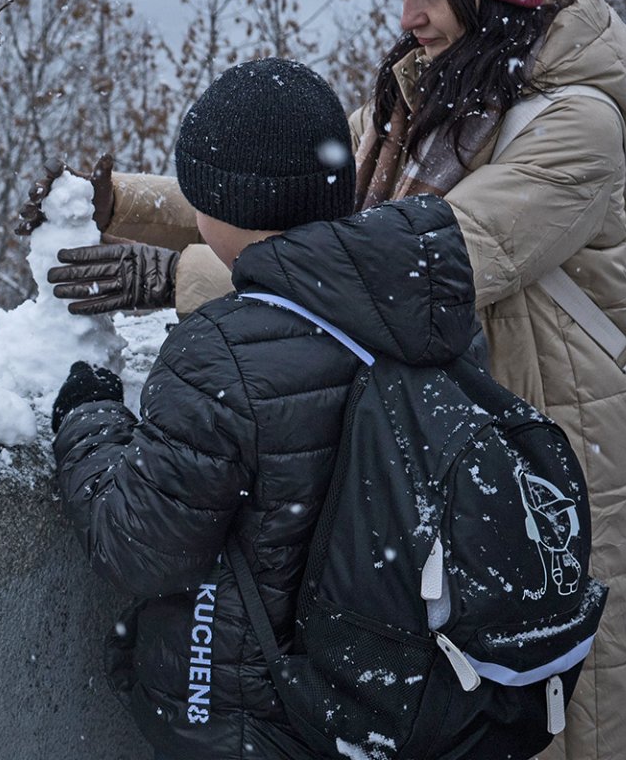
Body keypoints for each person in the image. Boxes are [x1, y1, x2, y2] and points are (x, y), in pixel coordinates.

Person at [25, 0, 626, 760]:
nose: (408, 14)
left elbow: (416, 263)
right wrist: (123, 204)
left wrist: (183, 278)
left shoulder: (575, 129)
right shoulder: (431, 90)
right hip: (427, 454)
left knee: (535, 706)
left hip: (526, 447)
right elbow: (294, 197)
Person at [50, 56, 487, 758]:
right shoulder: (428, 314)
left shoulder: (219, 353)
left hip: (261, 709)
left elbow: (138, 547)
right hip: (398, 686)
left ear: (222, 209)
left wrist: (88, 417)